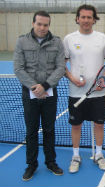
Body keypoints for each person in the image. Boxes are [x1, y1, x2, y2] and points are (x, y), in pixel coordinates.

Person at [13, 11, 65, 181]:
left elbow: (60, 67)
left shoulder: (57, 42)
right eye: (39, 24)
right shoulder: (22, 41)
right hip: (29, 95)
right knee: (31, 131)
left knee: (49, 130)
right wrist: (35, 87)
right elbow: (19, 68)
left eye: (46, 25)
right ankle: (31, 164)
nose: (42, 28)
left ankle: (51, 162)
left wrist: (45, 86)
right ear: (33, 23)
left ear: (49, 25)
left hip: (50, 93)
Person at [64, 4, 105, 173]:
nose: (85, 20)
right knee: (76, 125)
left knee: (99, 124)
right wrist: (73, 79)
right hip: (76, 93)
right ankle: (76, 156)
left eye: (89, 17)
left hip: (99, 93)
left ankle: (99, 154)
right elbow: (62, 65)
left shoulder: (102, 38)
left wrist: (102, 79)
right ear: (77, 19)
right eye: (82, 17)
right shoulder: (69, 39)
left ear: (94, 20)